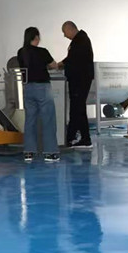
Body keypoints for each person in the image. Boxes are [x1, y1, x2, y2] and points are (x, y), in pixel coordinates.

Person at [17, 27, 59, 162]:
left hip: (27, 88)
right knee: (48, 119)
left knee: (30, 120)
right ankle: (50, 153)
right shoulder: (42, 51)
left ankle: (29, 152)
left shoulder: (21, 52)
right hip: (42, 88)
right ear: (36, 37)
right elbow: (54, 65)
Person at [58, 21, 94, 149]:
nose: (64, 35)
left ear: (70, 29)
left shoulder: (81, 40)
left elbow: (73, 58)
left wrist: (60, 64)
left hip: (80, 79)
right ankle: (79, 137)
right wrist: (62, 64)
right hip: (78, 79)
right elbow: (72, 58)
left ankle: (77, 138)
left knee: (77, 108)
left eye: (65, 32)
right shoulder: (79, 40)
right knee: (77, 108)